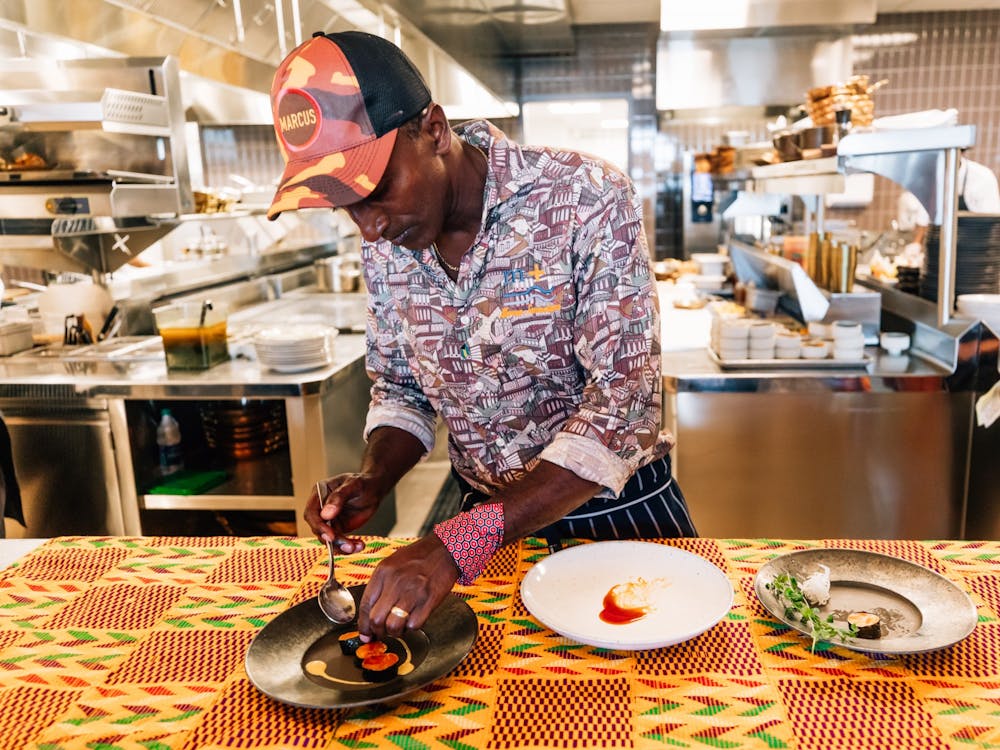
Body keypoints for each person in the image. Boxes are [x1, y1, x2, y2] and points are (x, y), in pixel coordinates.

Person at [267, 31, 696, 640]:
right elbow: (401, 390)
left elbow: (622, 407)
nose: (369, 228)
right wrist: (374, 476)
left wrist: (454, 543)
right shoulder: (392, 243)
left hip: (616, 520)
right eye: (346, 207)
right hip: (483, 539)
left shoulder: (585, 197)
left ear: (435, 131)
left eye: (375, 191)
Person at [897, 153, 1000, 245]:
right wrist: (916, 244)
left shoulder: (983, 177)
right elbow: (924, 218)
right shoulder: (930, 176)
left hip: (976, 253)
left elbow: (994, 224)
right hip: (939, 250)